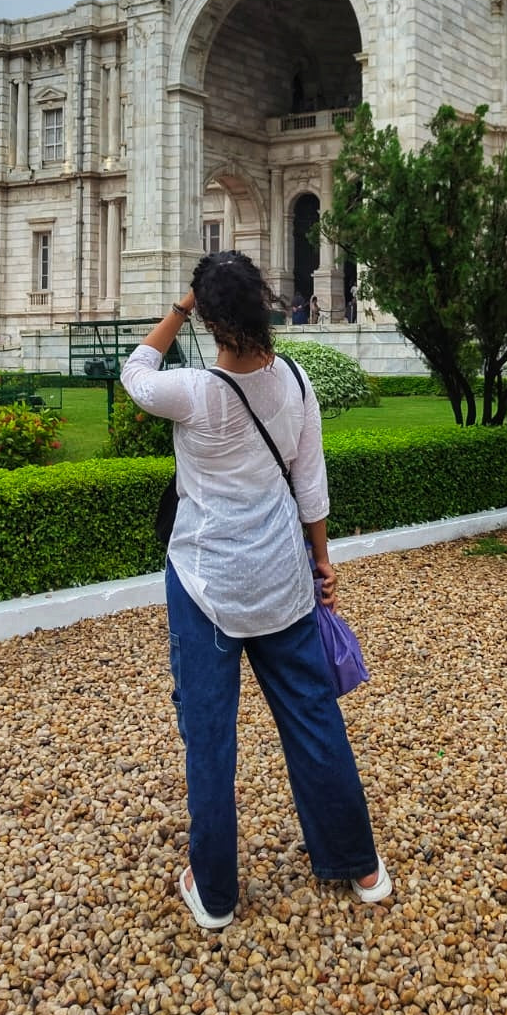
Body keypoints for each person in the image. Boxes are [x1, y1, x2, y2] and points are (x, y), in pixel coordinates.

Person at [121, 252, 390, 930]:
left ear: (210, 317)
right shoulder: (296, 381)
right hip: (281, 579)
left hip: (206, 582)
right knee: (314, 719)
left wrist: (180, 307)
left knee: (210, 739)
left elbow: (134, 372)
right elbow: (311, 484)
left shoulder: (192, 391)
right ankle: (360, 865)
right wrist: (323, 562)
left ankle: (214, 893)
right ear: (265, 304)